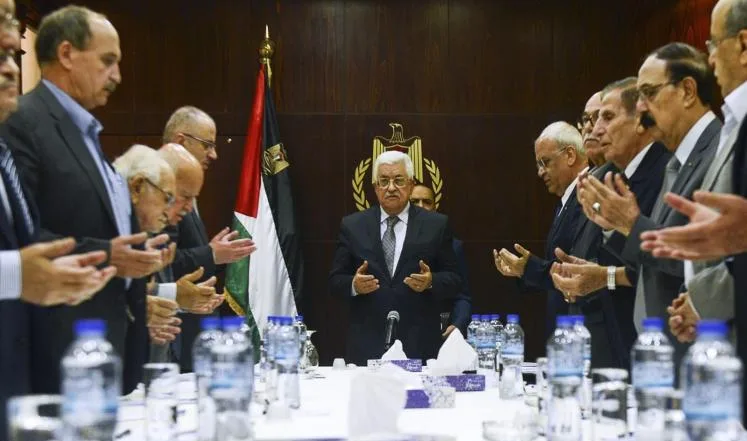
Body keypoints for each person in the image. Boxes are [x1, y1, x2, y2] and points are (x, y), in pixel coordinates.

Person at [1, 5, 168, 393]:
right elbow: (23, 236)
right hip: (58, 345)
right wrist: (108, 255)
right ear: (66, 54)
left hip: (107, 340)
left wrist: (133, 255)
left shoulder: (88, 133)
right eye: (108, 61)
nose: (117, 76)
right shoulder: (24, 121)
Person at [0, 0, 115, 435]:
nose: (10, 68)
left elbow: (26, 246)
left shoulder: (3, 152)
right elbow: (19, 264)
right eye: (0, 55)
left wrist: (57, 271)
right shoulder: (27, 127)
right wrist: (17, 274)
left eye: (11, 54)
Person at [577, 43, 721, 364]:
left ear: (687, 91)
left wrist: (630, 224)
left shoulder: (716, 150)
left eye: (649, 93)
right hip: (667, 344)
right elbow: (655, 258)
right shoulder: (678, 161)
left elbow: (699, 256)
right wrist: (616, 227)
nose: (641, 107)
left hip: (700, 344)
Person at [551, 77, 670, 369]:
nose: (595, 129)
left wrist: (604, 275)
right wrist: (585, 270)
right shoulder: (610, 174)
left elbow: (668, 261)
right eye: (591, 120)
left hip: (652, 331)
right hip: (608, 325)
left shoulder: (665, 168)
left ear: (639, 120)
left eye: (607, 117)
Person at [329, 150, 462, 364]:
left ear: (410, 184)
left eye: (398, 180)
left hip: (419, 343)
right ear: (375, 187)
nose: (391, 188)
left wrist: (431, 281)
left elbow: (455, 279)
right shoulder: (353, 225)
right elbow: (335, 281)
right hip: (366, 344)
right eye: (384, 181)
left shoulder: (436, 225)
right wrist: (354, 285)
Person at [160, 106, 255, 372]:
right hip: (168, 328)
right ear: (181, 141)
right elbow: (159, 261)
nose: (214, 154)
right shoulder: (159, 187)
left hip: (190, 326)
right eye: (207, 145)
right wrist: (210, 254)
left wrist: (214, 254)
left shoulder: (183, 184)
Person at [493, 121, 587, 338]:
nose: (540, 172)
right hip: (564, 325)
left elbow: (577, 266)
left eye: (545, 162)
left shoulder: (587, 195)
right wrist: (521, 271)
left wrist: (529, 268)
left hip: (581, 325)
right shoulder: (565, 202)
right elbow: (554, 270)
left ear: (570, 155)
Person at [410, 183, 472, 338]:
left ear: (435, 208)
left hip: (438, 330)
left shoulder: (453, 246)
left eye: (427, 202)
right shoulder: (391, 244)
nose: (421, 206)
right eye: (414, 202)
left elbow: (462, 296)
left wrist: (458, 324)